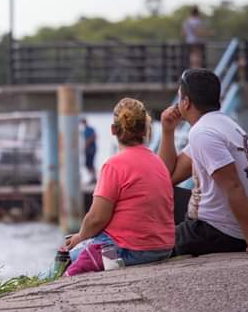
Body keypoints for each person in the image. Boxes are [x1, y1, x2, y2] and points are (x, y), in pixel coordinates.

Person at [158, 69, 248, 256]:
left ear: (186, 102)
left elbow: (233, 186)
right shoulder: (222, 124)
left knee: (152, 244)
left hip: (220, 231)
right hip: (232, 228)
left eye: (179, 97)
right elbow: (166, 178)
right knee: (164, 194)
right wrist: (167, 131)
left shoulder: (203, 133)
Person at [64, 98, 174, 268]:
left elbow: (96, 218)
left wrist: (79, 237)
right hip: (163, 248)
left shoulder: (114, 165)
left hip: (129, 249)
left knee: (65, 258)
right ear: (145, 129)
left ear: (113, 130)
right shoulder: (158, 162)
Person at [81, 117, 97, 184]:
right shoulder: (85, 130)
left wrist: (86, 146)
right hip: (89, 149)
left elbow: (93, 137)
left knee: (90, 163)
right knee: (88, 164)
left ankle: (94, 178)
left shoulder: (89, 129)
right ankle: (93, 177)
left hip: (91, 149)